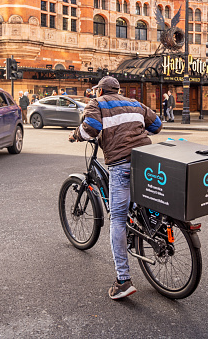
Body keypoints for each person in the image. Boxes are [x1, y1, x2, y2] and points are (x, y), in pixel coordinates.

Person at [68, 76, 162, 300]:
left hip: (121, 164)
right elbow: (157, 125)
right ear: (118, 90)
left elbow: (90, 129)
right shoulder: (134, 103)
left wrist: (74, 135)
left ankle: (123, 280)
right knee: (144, 199)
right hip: (145, 160)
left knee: (117, 219)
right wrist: (135, 133)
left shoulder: (97, 103)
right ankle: (152, 226)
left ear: (100, 91)